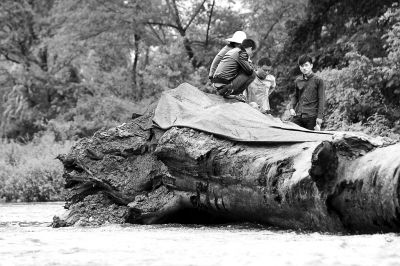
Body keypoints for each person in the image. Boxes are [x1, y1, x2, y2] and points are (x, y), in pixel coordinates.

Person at [288, 54, 325, 130]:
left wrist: (319, 117)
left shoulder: (318, 80)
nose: (304, 68)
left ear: (311, 65)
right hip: (298, 115)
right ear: (299, 67)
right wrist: (291, 108)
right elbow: (295, 96)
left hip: (312, 117)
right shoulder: (298, 80)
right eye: (302, 66)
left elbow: (321, 99)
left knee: (311, 140)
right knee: (290, 132)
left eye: (306, 65)